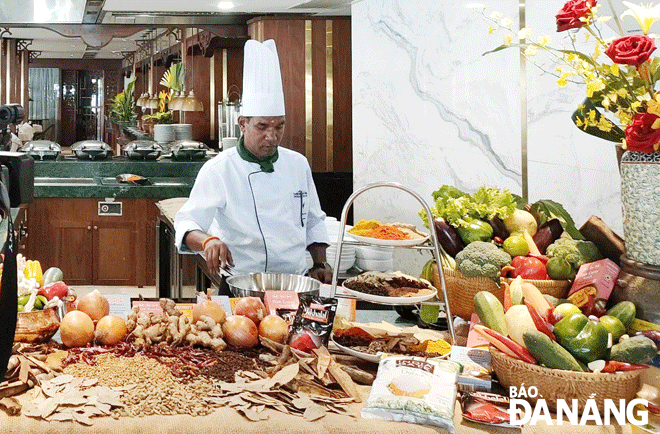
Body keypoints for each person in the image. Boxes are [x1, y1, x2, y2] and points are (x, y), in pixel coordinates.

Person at [174, 39, 332, 284]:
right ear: (243, 124)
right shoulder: (220, 170)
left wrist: (320, 262)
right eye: (262, 127)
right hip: (241, 282)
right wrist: (208, 240)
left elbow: (313, 221)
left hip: (294, 282)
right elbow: (187, 222)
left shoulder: (298, 164)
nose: (272, 136)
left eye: (279, 126)